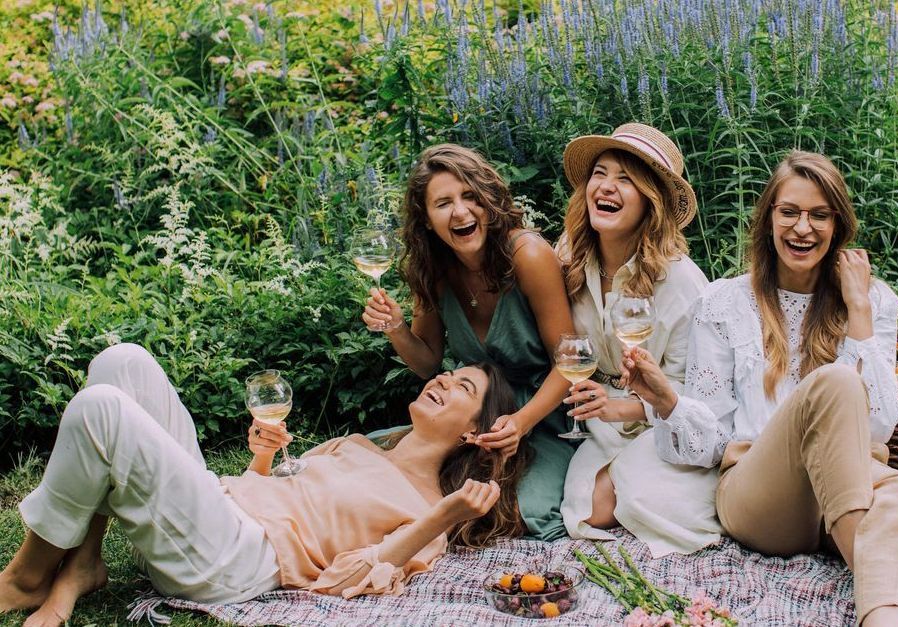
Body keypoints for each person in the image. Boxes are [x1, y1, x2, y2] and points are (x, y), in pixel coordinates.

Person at [621, 151, 898, 627]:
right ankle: (875, 565)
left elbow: (879, 428)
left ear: (838, 224)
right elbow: (710, 444)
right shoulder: (724, 303)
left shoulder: (872, 300)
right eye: (789, 211)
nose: (802, 228)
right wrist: (668, 401)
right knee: (834, 381)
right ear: (768, 218)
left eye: (819, 215)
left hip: (845, 485)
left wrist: (858, 312)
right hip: (760, 495)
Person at [0, 343, 529, 627]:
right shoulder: (356, 446)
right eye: (447, 374)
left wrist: (444, 518)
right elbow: (274, 490)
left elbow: (345, 581)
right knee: (123, 363)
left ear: (473, 432)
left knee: (102, 410)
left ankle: (28, 576)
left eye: (462, 387)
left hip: (237, 558)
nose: (440, 380)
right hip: (220, 509)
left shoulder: (433, 508)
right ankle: (83, 566)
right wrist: (263, 457)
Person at [362, 144, 576, 541]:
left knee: (523, 513)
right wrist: (395, 327)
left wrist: (521, 422)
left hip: (540, 418)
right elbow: (428, 363)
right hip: (469, 419)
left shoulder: (527, 255)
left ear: (489, 202)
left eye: (470, 197)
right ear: (426, 219)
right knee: (376, 462)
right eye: (443, 203)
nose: (461, 212)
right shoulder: (431, 269)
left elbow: (569, 362)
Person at [554, 123, 720, 557]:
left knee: (634, 499)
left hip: (662, 422)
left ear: (651, 201)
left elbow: (697, 394)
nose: (607, 187)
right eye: (600, 173)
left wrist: (622, 406)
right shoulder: (570, 255)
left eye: (626, 180)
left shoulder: (682, 282)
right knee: (587, 511)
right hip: (598, 423)